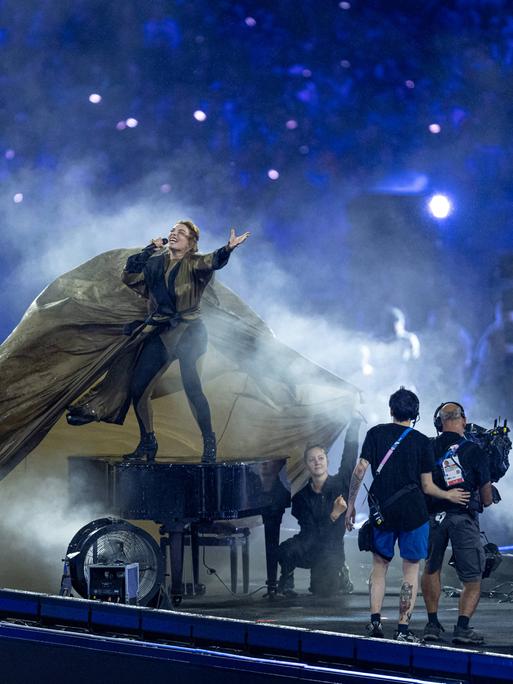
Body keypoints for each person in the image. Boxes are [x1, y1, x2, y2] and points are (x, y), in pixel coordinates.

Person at [69, 220, 249, 463]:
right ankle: (148, 441)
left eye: (181, 233)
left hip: (190, 334)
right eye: (173, 231)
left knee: (193, 389)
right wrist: (147, 249)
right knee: (138, 388)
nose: (174, 235)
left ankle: (209, 442)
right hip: (161, 333)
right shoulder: (155, 262)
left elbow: (214, 260)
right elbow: (129, 275)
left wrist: (228, 248)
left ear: (191, 244)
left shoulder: (195, 263)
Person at [345, 388, 470, 642]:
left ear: (391, 410)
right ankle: (403, 629)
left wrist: (351, 504)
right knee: (411, 571)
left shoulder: (375, 434)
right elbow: (427, 487)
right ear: (416, 414)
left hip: (383, 511)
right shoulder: (423, 442)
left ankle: (375, 623)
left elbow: (360, 470)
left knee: (379, 567)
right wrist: (449, 496)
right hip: (414, 513)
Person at [421, 402, 493, 645]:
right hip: (463, 519)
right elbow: (486, 499)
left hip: (433, 519)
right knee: (472, 578)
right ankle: (462, 629)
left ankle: (432, 624)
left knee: (431, 568)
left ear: (438, 423)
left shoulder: (428, 447)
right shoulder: (475, 451)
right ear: (463, 419)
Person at [276, 416, 361, 598]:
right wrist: (333, 515)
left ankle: (340, 572)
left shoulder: (340, 485)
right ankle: (287, 577)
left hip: (331, 548)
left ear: (327, 461)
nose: (317, 462)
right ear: (307, 465)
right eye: (312, 459)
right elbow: (313, 533)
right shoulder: (301, 497)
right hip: (310, 544)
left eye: (321, 458)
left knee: (323, 591)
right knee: (284, 550)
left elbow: (349, 456)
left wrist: (354, 423)